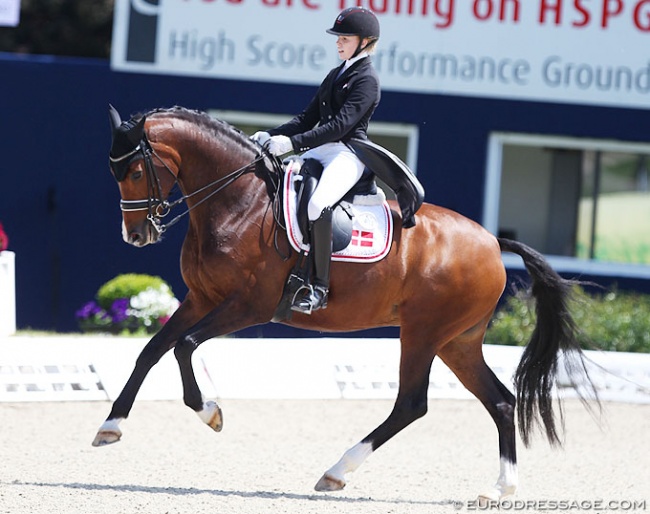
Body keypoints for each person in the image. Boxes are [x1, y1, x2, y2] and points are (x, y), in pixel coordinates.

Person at [252, 6, 381, 315]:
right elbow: (306, 119)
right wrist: (270, 135)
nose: (338, 43)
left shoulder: (367, 80)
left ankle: (320, 287)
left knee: (317, 204)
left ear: (365, 41)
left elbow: (339, 127)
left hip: (349, 153)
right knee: (278, 186)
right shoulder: (336, 74)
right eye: (337, 38)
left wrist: (292, 144)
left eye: (345, 38)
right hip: (321, 149)